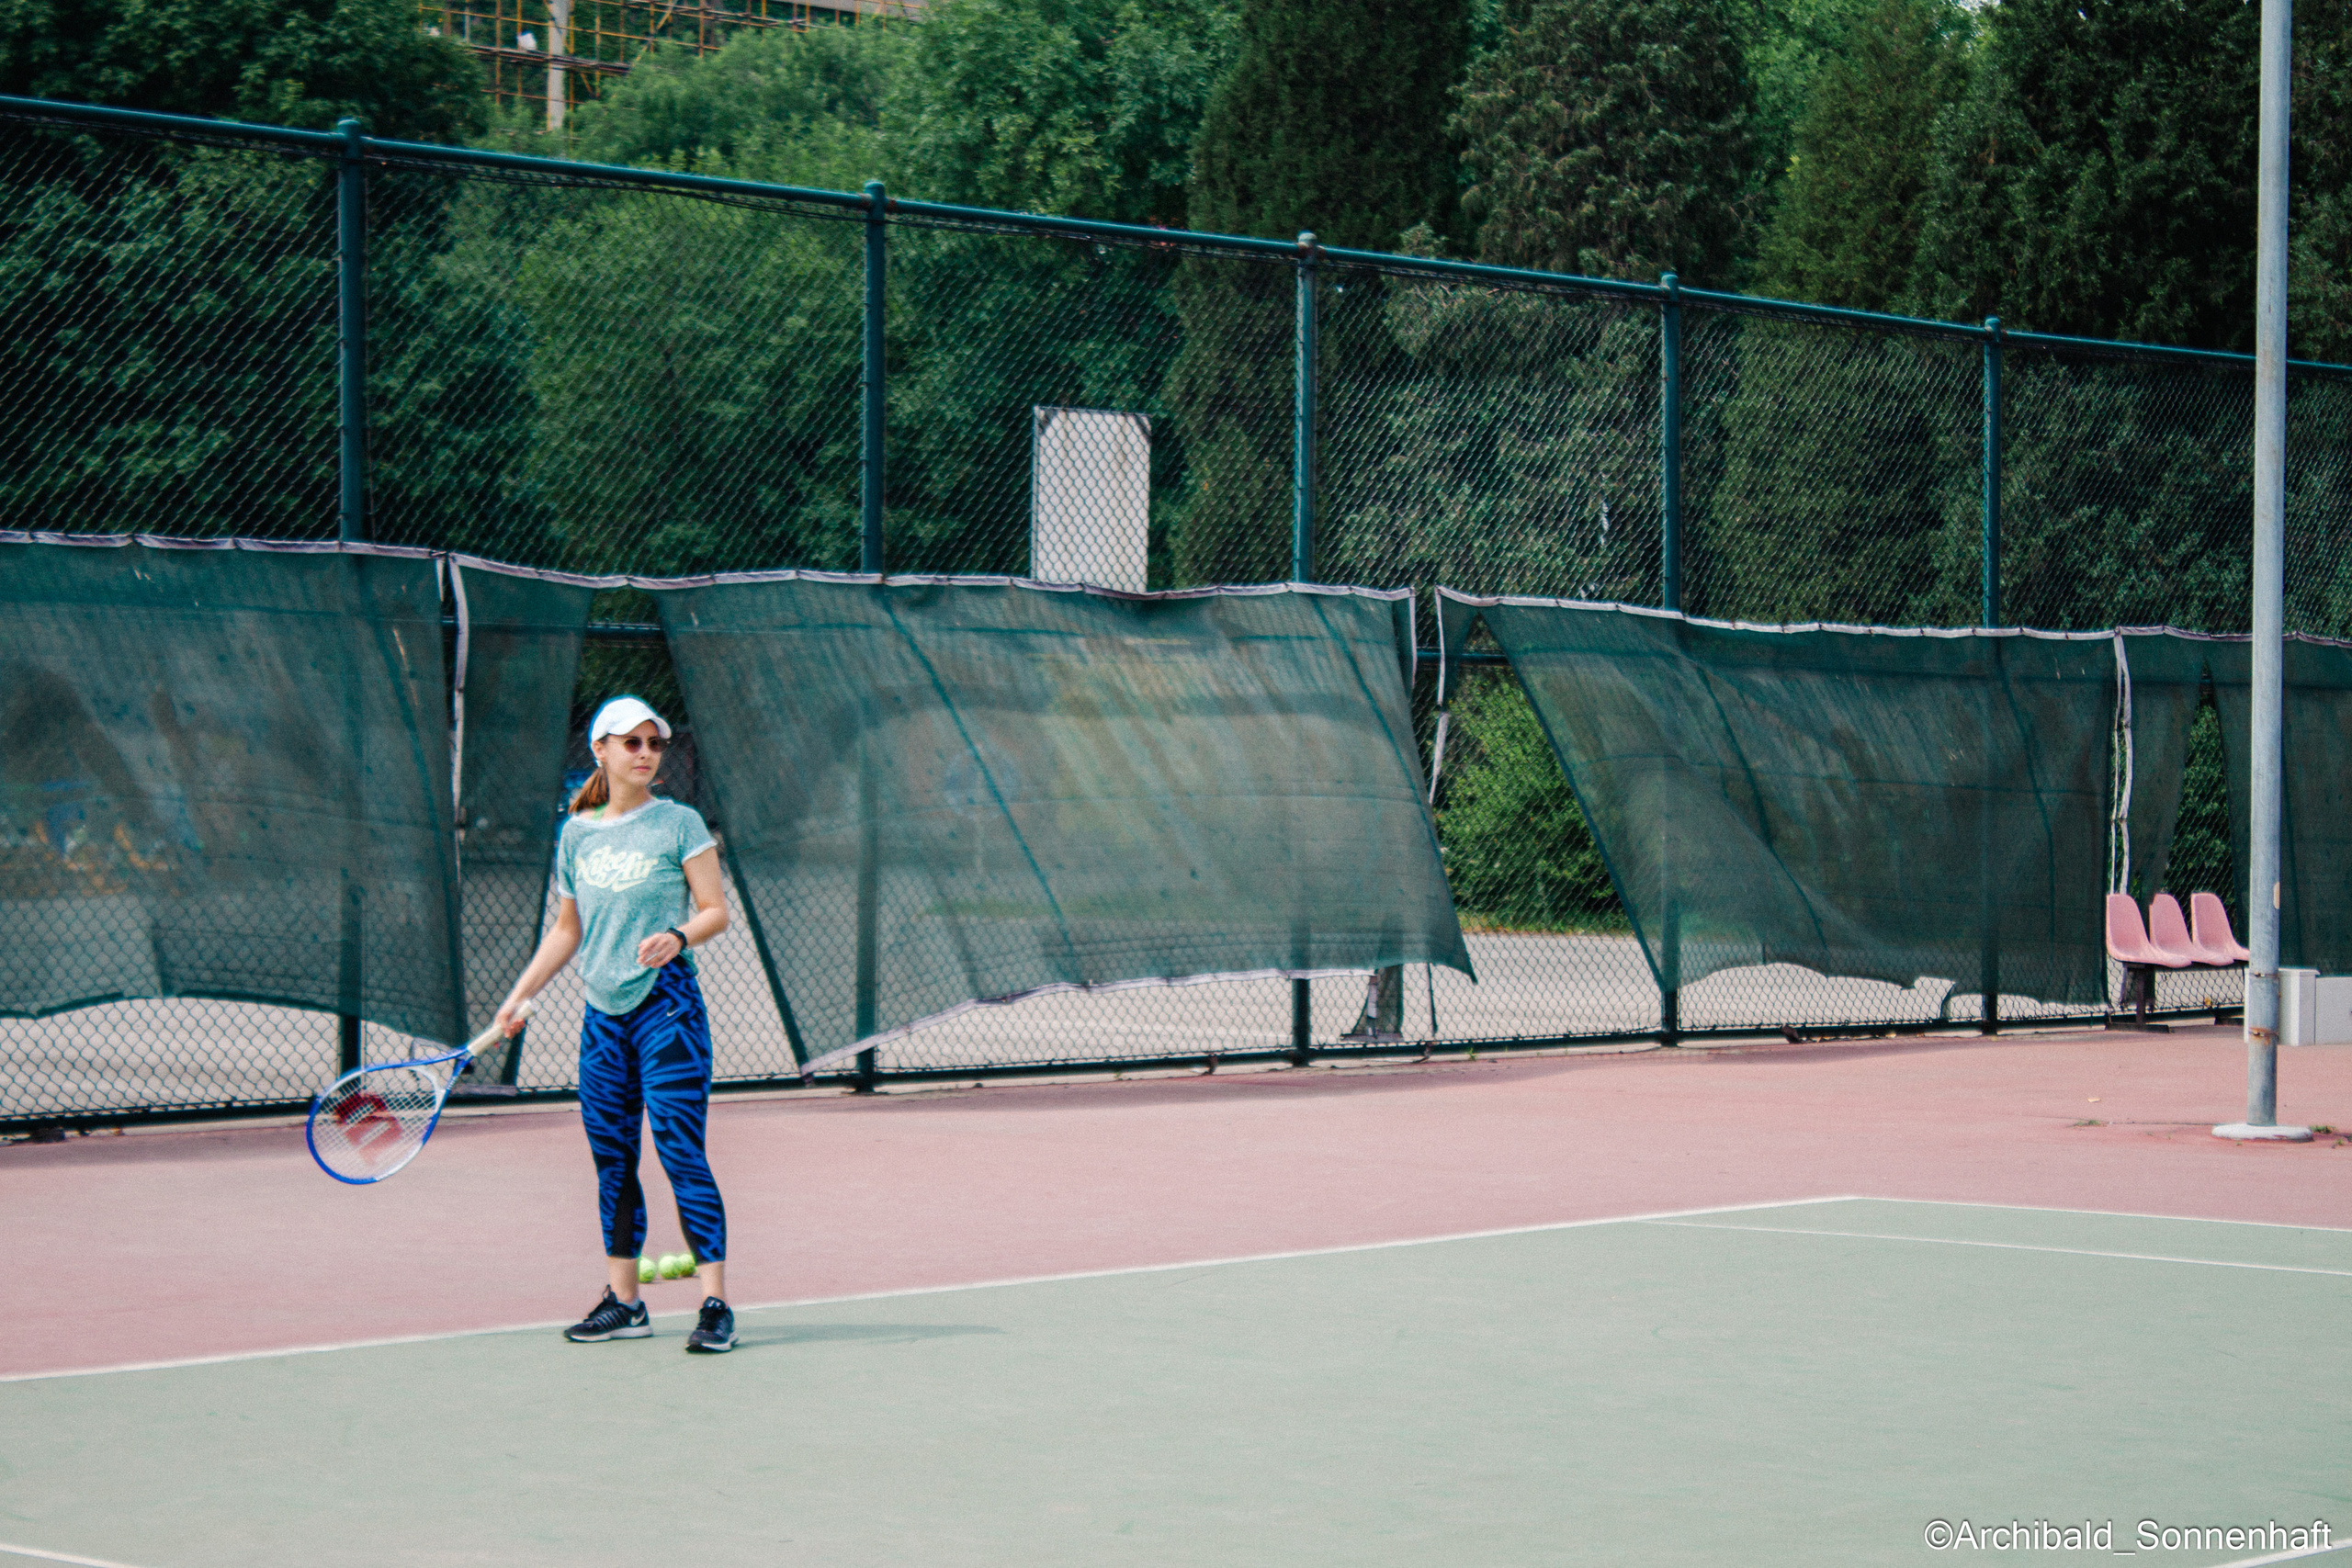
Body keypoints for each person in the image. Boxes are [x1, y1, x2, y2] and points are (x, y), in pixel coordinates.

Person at [495, 695, 737, 1353]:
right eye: (630, 742)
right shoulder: (575, 833)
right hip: (602, 1020)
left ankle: (714, 1303)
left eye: (653, 743)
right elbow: (567, 929)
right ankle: (624, 1301)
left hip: (668, 1011)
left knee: (680, 1149)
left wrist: (678, 935)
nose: (646, 753)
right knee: (612, 1159)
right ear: (599, 749)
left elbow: (715, 909)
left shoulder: (679, 822)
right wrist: (517, 996)